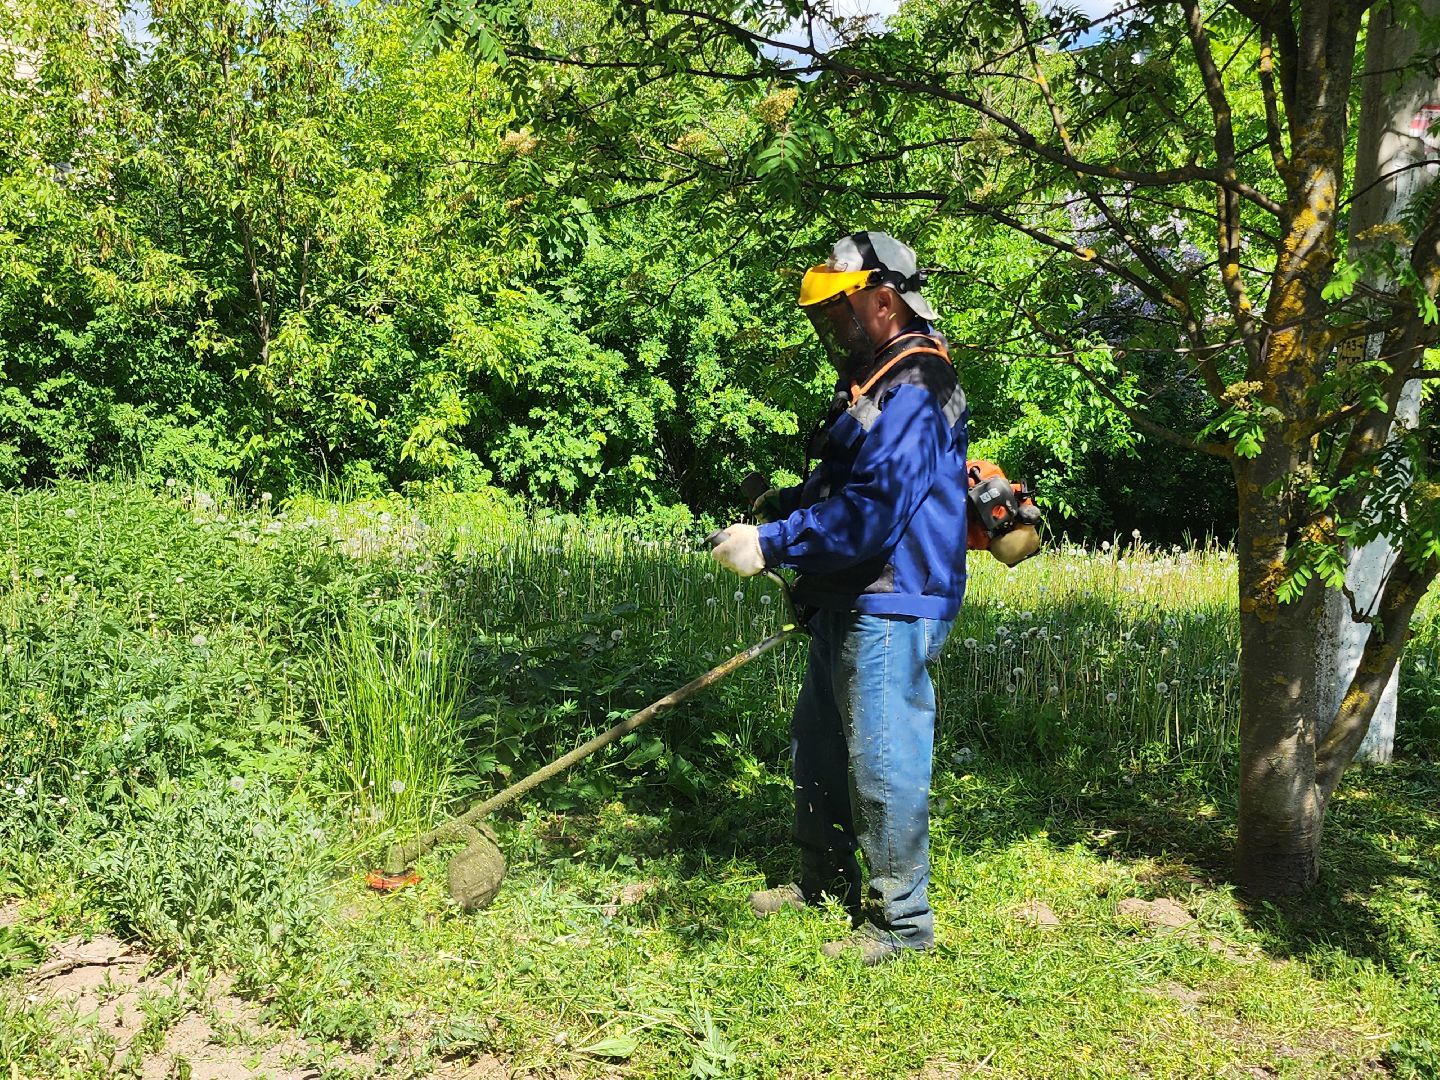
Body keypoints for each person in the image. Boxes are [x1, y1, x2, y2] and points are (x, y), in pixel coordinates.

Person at [709, 231, 968, 965]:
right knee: (818, 744)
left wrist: (776, 543)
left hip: (895, 599)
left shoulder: (917, 388)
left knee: (883, 762)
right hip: (850, 598)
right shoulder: (874, 377)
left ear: (882, 302)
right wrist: (776, 511)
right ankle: (822, 882)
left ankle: (901, 925)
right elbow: (839, 488)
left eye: (838, 314)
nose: (829, 330)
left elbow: (875, 512)